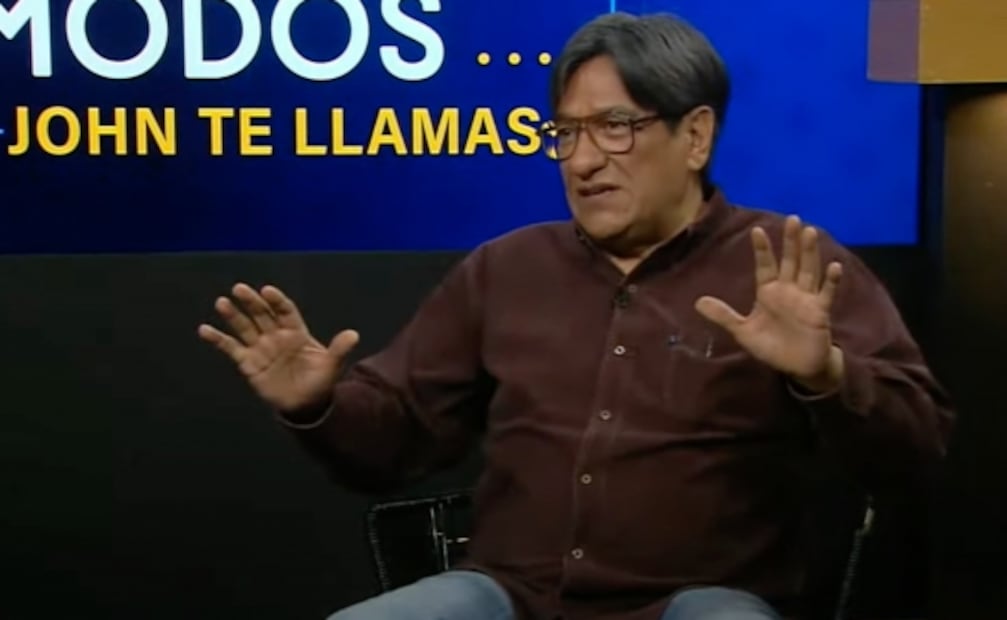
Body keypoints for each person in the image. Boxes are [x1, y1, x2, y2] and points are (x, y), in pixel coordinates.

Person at [198, 11, 955, 620]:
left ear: (694, 136)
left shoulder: (787, 268)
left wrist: (827, 376)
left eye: (614, 127)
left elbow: (919, 448)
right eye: (565, 133)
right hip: (510, 595)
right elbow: (394, 442)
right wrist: (317, 406)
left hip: (700, 598)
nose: (583, 160)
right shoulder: (506, 270)